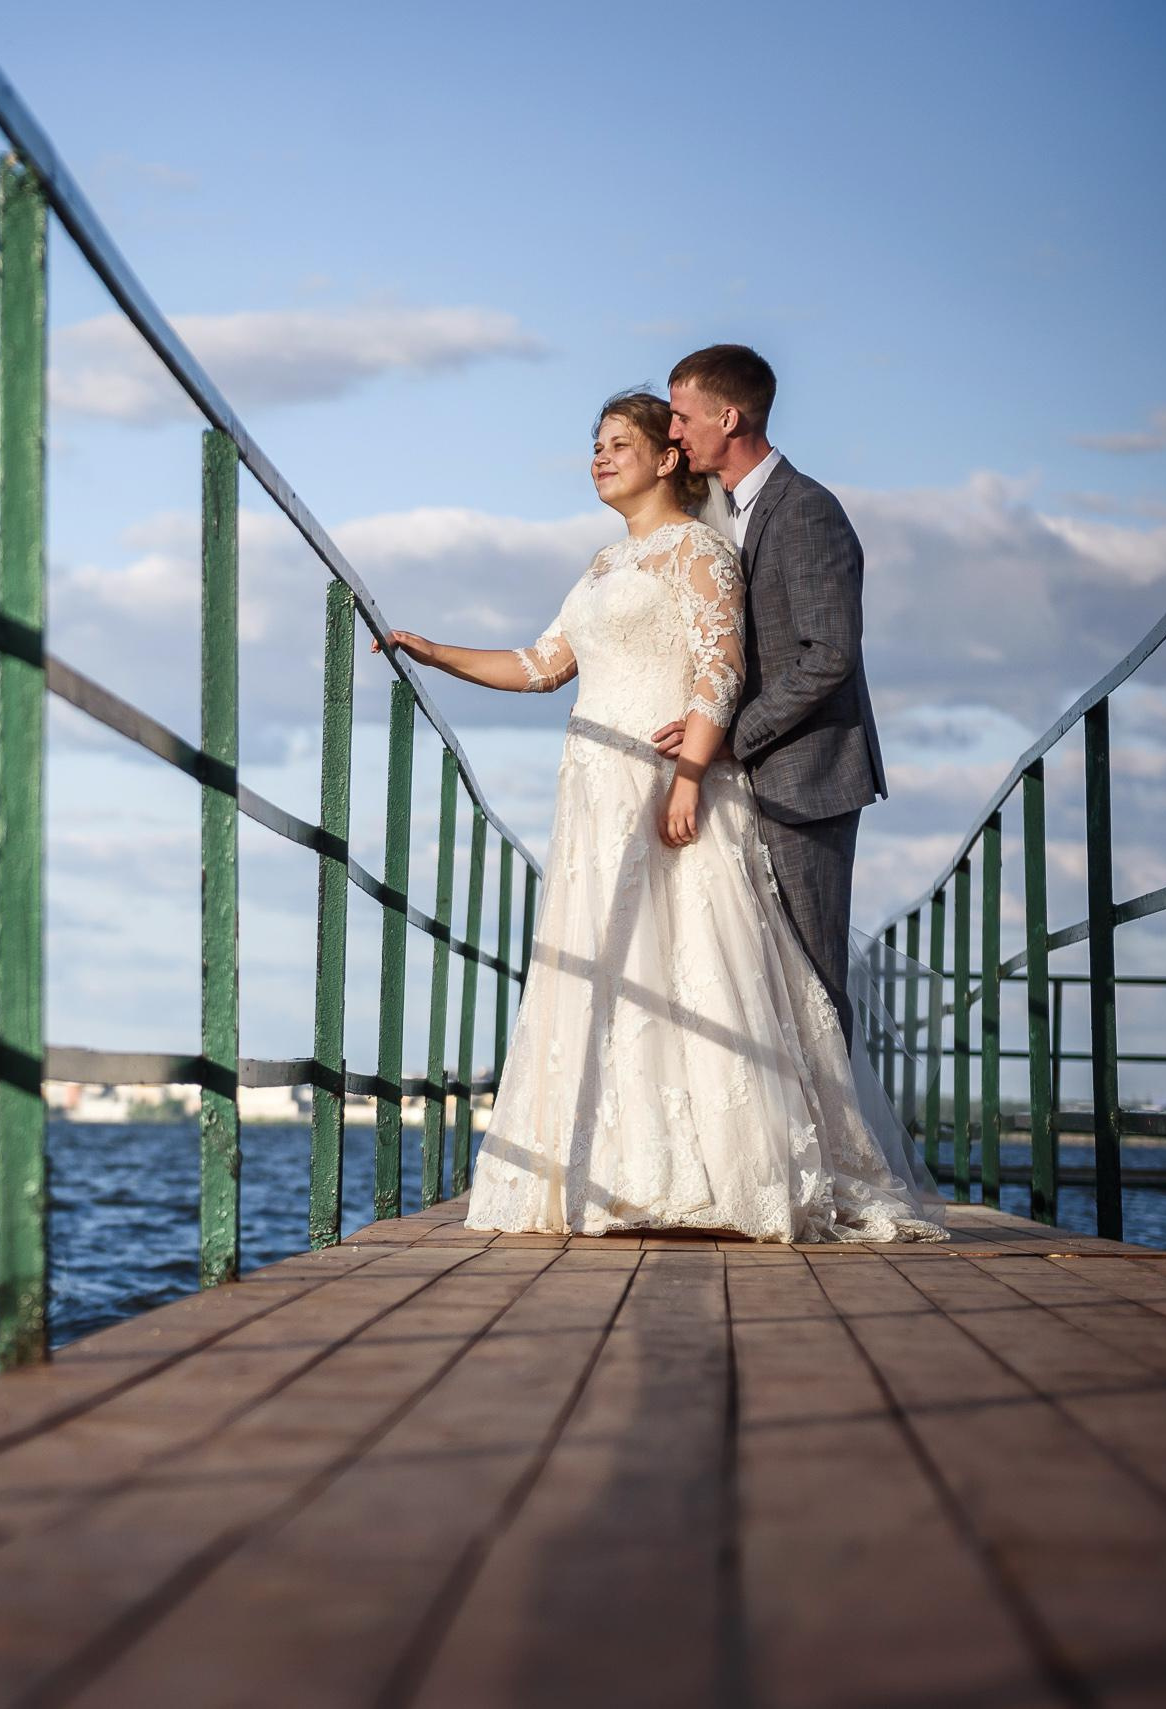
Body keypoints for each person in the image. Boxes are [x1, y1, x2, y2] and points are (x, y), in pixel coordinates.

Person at [375, 387, 941, 1242]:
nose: (599, 457)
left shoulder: (702, 553)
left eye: (618, 444)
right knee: (604, 961)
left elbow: (719, 670)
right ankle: (617, 1169)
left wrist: (686, 778)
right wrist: (432, 650)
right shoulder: (603, 566)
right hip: (592, 792)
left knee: (689, 961)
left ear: (669, 458)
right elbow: (540, 664)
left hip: (666, 779)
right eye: (594, 445)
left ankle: (722, 1174)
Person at [659, 344, 887, 1027]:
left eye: (681, 416)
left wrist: (735, 736)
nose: (673, 431)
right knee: (757, 991)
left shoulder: (807, 510)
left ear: (728, 418)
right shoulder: (724, 513)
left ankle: (838, 1138)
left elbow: (830, 652)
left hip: (804, 784)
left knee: (811, 990)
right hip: (747, 784)